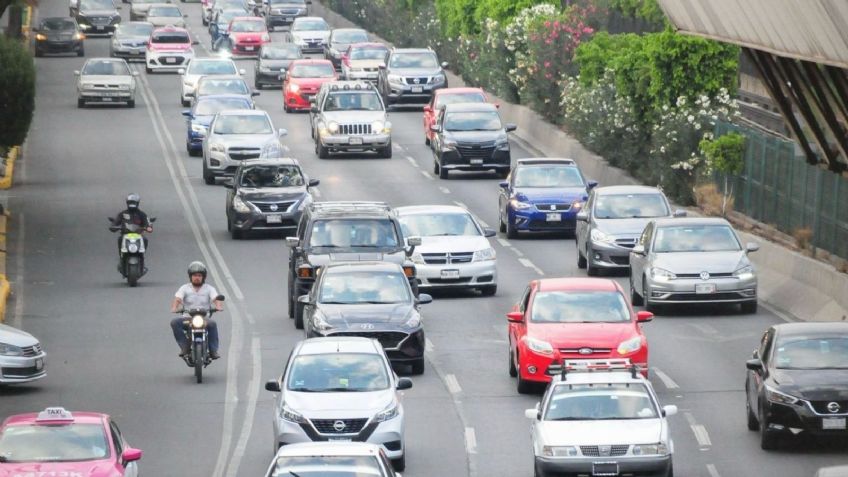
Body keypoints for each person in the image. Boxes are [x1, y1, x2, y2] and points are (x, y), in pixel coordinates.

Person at [170, 261, 224, 359]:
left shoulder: (209, 288)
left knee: (212, 324)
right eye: (194, 275)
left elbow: (216, 299)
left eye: (199, 275)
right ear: (190, 276)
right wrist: (174, 308)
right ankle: (184, 346)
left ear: (203, 277)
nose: (197, 277)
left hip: (204, 319)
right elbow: (177, 299)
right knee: (174, 322)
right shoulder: (184, 288)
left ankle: (213, 351)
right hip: (188, 319)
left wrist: (219, 306)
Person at [112, 193, 152, 268]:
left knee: (145, 240)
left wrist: (148, 227)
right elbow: (116, 222)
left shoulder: (142, 214)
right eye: (130, 202)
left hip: (138, 235)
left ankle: (142, 256)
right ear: (127, 203)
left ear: (137, 203)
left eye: (133, 202)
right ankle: (121, 256)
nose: (132, 204)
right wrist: (113, 226)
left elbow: (147, 222)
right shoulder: (123, 214)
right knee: (120, 239)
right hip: (125, 234)